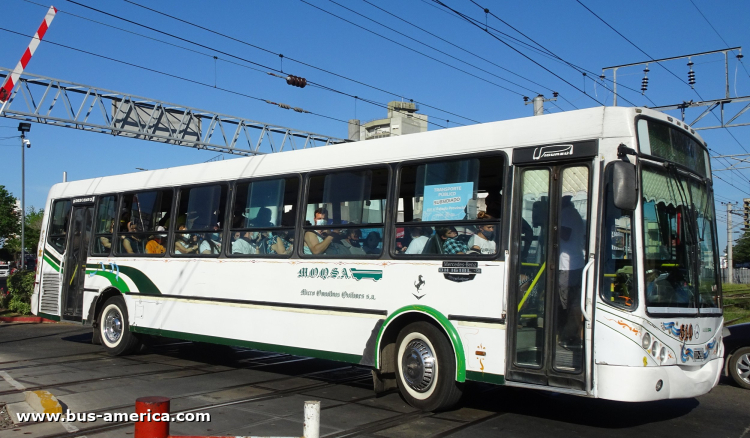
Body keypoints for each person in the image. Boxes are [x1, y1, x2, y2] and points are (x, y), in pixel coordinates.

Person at [558, 196, 586, 348]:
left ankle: (567, 335)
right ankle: (571, 334)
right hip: (575, 263)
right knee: (572, 302)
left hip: (567, 265)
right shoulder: (575, 214)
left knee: (565, 303)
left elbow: (566, 234)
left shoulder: (567, 214)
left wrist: (551, 225)